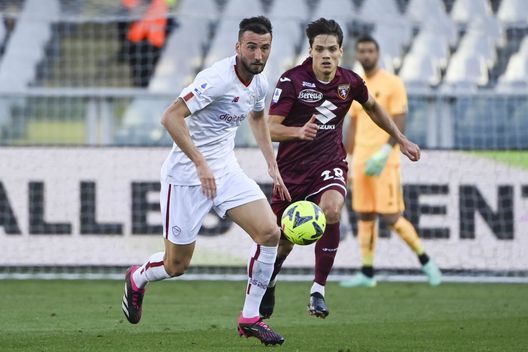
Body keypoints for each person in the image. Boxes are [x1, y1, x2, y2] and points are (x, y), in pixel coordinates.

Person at [121, 16, 290, 346]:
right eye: (252, 47)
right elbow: (170, 116)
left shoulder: (259, 82)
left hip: (225, 172)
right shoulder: (215, 79)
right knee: (176, 264)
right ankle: (138, 276)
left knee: (270, 232)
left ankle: (250, 318)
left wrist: (271, 163)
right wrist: (200, 164)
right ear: (238, 47)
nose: (258, 55)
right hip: (186, 177)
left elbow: (256, 116)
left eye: (265, 48)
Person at [259, 18, 421, 320]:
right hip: (291, 171)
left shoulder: (350, 82)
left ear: (340, 51)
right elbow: (269, 129)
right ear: (310, 50)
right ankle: (269, 280)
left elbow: (372, 106)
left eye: (331, 49)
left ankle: (318, 290)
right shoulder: (291, 80)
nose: (325, 54)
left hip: (329, 163)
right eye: (319, 49)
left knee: (332, 210)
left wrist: (400, 139)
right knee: (282, 244)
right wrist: (297, 133)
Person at [339, 35, 442, 288]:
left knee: (391, 216)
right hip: (362, 159)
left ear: (378, 53)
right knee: (364, 214)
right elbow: (352, 124)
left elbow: (399, 120)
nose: (366, 55)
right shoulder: (355, 84)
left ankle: (426, 261)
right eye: (362, 51)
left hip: (384, 161)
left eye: (370, 51)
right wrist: (349, 158)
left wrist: (386, 151)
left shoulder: (393, 83)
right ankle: (367, 271)